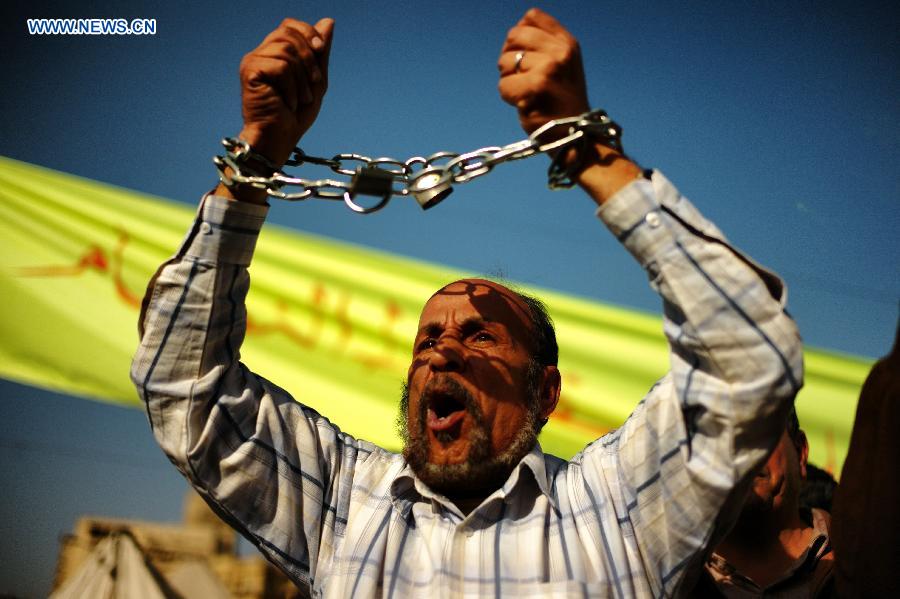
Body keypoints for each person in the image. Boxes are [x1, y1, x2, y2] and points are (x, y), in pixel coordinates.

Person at [131, 8, 803, 597]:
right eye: (427, 341)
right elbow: (182, 385)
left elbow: (749, 360)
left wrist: (588, 150)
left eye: (481, 337)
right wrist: (258, 158)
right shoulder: (343, 503)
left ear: (545, 392)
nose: (443, 348)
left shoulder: (616, 506)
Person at [694, 409, 835, 597]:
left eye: (757, 432)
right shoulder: (660, 574)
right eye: (718, 439)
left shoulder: (864, 564)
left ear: (800, 453)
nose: (739, 453)